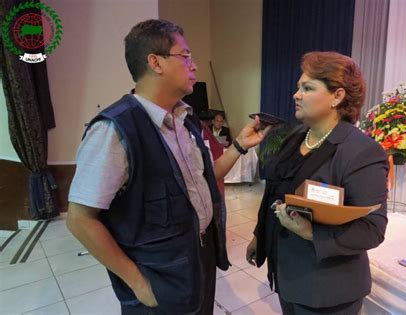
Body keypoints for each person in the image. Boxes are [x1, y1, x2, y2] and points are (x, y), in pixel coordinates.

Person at [66, 19, 270, 315]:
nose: (194, 66)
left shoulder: (184, 120)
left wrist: (238, 145)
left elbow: (205, 180)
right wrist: (137, 283)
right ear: (155, 62)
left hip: (197, 258)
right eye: (185, 56)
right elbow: (80, 219)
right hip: (156, 273)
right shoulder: (115, 129)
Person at [246, 51, 389, 315]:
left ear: (338, 96)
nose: (296, 95)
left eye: (307, 88)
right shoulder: (296, 137)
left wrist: (311, 233)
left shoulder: (361, 152)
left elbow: (372, 228)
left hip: (327, 290)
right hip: (288, 276)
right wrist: (260, 235)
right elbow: (275, 192)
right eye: (298, 87)